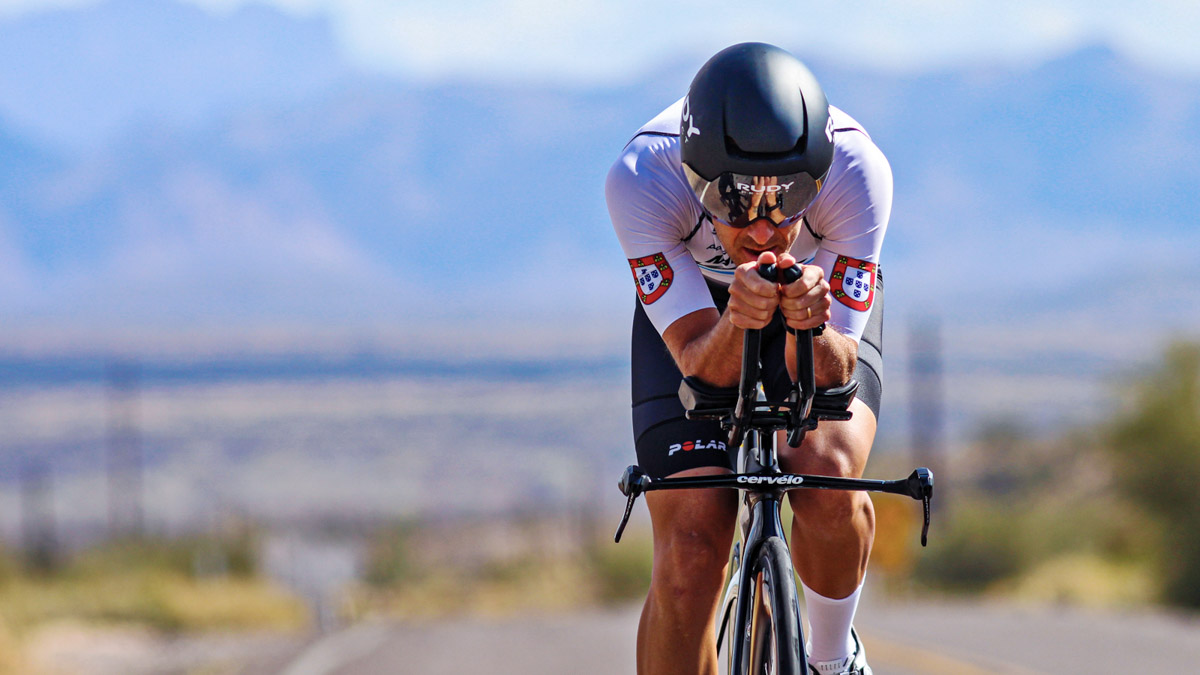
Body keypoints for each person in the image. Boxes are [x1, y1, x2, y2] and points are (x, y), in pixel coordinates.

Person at [605, 42, 891, 675]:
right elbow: (701, 370)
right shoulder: (642, 177)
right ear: (697, 179)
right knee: (690, 549)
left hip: (813, 301)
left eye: (788, 200)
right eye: (735, 203)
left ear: (818, 177)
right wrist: (738, 317)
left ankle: (831, 658)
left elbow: (835, 376)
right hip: (698, 316)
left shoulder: (858, 171)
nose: (763, 229)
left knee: (825, 470)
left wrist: (810, 326)